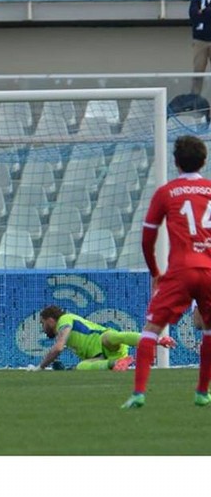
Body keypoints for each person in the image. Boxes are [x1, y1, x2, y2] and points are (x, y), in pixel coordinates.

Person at [123, 135, 211, 409]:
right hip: (209, 269)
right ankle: (201, 392)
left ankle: (139, 393)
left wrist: (155, 271)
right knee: (209, 331)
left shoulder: (166, 192)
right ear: (204, 161)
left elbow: (147, 238)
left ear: (175, 162)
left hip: (181, 270)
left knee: (151, 330)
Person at [36, 305, 175, 372]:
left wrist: (40, 367)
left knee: (111, 337)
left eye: (43, 323)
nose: (43, 327)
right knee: (80, 367)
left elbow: (58, 348)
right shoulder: (62, 328)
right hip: (100, 356)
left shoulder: (64, 320)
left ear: (50, 320)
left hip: (102, 341)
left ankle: (158, 340)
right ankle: (116, 363)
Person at [190, 0, 211, 95]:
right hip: (200, 40)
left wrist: (203, 12)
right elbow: (193, 14)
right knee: (198, 71)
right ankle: (195, 97)